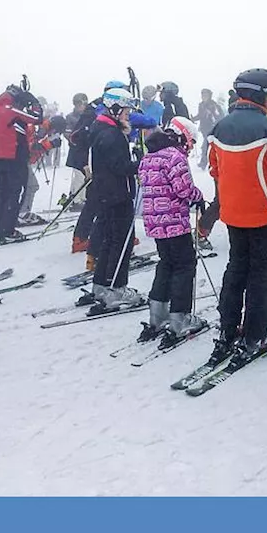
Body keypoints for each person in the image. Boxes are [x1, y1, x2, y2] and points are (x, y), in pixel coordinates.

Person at [206, 68, 267, 367]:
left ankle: (228, 330)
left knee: (235, 270)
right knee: (260, 275)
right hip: (264, 214)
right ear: (262, 94)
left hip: (233, 213)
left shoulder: (219, 128)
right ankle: (255, 335)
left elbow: (215, 171)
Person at [137, 116, 207, 346]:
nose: (190, 147)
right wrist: (198, 197)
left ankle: (157, 316)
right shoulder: (174, 157)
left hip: (155, 222)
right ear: (182, 137)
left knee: (166, 263)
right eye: (190, 142)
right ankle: (180, 318)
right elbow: (183, 189)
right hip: (174, 221)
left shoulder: (149, 156)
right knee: (184, 265)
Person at [85, 87, 145, 313]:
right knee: (121, 242)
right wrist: (141, 163)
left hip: (106, 193)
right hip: (116, 194)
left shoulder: (103, 128)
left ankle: (101, 285)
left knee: (110, 240)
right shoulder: (110, 134)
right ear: (115, 108)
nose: (129, 113)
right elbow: (119, 167)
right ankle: (116, 288)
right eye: (127, 109)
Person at [0, 84, 42, 245]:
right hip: (14, 156)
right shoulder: (11, 110)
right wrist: (34, 102)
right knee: (14, 193)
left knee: (1, 192)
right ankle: (7, 229)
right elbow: (37, 118)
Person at [195, 88, 224, 168]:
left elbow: (219, 116)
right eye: (202, 95)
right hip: (204, 128)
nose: (203, 97)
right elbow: (200, 115)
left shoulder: (213, 105)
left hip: (211, 128)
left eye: (205, 95)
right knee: (207, 145)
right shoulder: (201, 105)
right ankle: (211, 162)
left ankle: (204, 163)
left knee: (206, 146)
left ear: (209, 96)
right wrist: (193, 119)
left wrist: (213, 114)